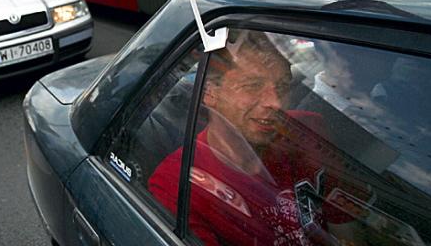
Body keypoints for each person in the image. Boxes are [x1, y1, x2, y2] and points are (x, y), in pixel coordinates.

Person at [148, 30, 367, 245]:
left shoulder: (309, 128)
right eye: (252, 86)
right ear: (209, 93)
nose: (276, 103)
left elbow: (343, 222)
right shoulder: (176, 185)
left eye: (282, 86)